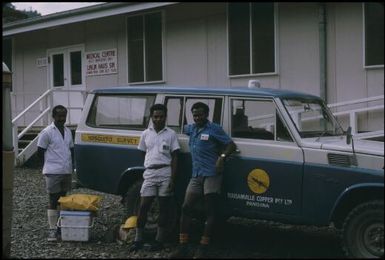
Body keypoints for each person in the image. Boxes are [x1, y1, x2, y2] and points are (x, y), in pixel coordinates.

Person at [171, 102, 237, 258]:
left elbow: (231, 145)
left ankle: (203, 247)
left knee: (209, 210)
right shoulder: (192, 129)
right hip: (196, 174)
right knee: (186, 207)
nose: (197, 117)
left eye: (200, 114)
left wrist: (221, 157)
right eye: (194, 115)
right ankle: (183, 246)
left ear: (207, 115)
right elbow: (179, 127)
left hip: (212, 173)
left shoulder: (214, 129)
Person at [130, 103, 180, 252]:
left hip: (165, 173)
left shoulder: (171, 134)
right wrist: (150, 164)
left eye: (161, 116)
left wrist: (172, 178)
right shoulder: (146, 133)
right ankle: (138, 239)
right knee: (144, 206)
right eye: (156, 117)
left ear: (165, 117)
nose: (158, 119)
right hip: (150, 174)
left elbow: (175, 156)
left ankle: (159, 240)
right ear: (151, 117)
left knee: (163, 208)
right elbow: (142, 152)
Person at [37, 105, 74, 241]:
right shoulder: (47, 132)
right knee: (53, 200)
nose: (62, 118)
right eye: (59, 116)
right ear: (53, 116)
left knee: (63, 200)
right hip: (52, 171)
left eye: (64, 116)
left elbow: (71, 150)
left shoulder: (68, 132)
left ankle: (61, 227)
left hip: (66, 170)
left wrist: (72, 167)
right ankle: (52, 230)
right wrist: (46, 166)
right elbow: (40, 152)